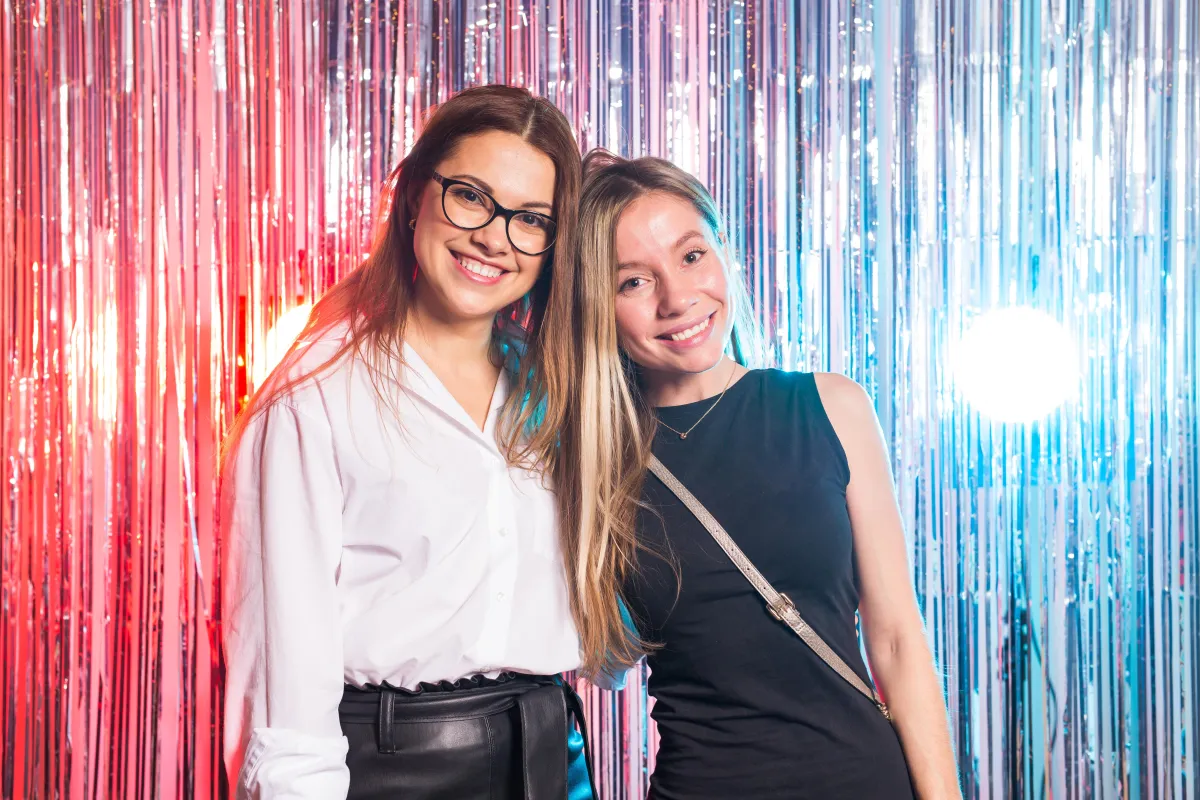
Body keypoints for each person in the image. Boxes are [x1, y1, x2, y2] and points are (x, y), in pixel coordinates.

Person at [220, 85, 608, 800]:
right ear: (411, 199)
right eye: (470, 196)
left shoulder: (555, 392)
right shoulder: (318, 392)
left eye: (531, 220)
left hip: (554, 759)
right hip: (396, 771)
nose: (495, 236)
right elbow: (282, 662)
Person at [574, 151, 962, 799]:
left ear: (723, 253)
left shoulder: (828, 405)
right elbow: (604, 663)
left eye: (692, 255)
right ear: (595, 306)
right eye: (633, 282)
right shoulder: (589, 461)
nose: (678, 297)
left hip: (863, 781)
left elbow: (895, 638)